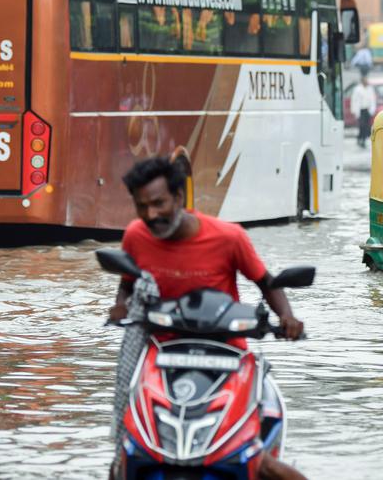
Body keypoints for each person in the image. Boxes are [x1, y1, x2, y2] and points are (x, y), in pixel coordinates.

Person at [109, 157, 306, 480]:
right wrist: (120, 307)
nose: (151, 215)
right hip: (163, 354)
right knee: (127, 449)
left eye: (158, 204)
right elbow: (126, 286)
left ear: (179, 198)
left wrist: (287, 317)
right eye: (141, 206)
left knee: (252, 454)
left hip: (227, 354)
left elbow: (266, 283)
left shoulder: (228, 237)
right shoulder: (135, 236)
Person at [350, 75, 378, 148]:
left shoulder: (370, 89)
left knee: (367, 126)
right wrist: (354, 111)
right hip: (360, 110)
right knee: (361, 125)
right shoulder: (357, 89)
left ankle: (363, 140)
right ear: (362, 81)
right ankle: (360, 138)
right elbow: (354, 100)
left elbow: (372, 100)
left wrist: (372, 110)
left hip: (367, 110)